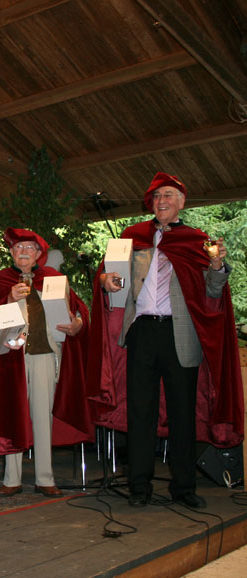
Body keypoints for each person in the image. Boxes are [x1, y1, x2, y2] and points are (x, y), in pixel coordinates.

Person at [94, 172, 242, 508]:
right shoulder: (133, 237)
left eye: (169, 196)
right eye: (158, 196)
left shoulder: (197, 241)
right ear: (151, 202)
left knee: (182, 414)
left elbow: (212, 292)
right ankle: (139, 487)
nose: (163, 201)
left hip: (181, 333)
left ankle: (184, 488)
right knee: (140, 413)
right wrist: (104, 279)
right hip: (142, 331)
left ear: (181, 202)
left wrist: (217, 267)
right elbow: (106, 275)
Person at [0, 228, 91, 498]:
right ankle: (12, 479)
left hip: (44, 354)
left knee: (44, 416)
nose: (23, 252)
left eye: (30, 248)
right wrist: (8, 298)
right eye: (19, 247)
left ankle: (45, 478)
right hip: (11, 358)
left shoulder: (54, 279)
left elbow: (78, 311)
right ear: (11, 252)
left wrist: (77, 324)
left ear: (39, 255)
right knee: (13, 415)